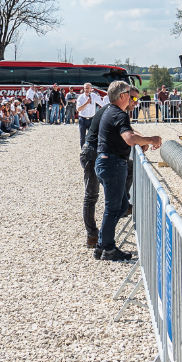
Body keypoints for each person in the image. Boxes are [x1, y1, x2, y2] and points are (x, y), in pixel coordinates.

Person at [93, 80, 162, 263]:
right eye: (132, 97)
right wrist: (152, 138)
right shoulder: (119, 114)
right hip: (112, 164)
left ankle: (102, 244)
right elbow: (129, 138)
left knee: (122, 206)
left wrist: (143, 140)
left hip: (107, 163)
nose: (134, 100)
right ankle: (107, 248)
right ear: (122, 96)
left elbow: (128, 134)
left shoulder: (110, 111)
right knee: (113, 208)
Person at [79, 97, 103, 250]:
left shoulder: (103, 107)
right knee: (91, 195)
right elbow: (78, 110)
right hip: (91, 153)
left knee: (92, 195)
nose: (135, 102)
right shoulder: (109, 111)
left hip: (93, 152)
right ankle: (92, 234)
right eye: (133, 98)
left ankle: (94, 234)